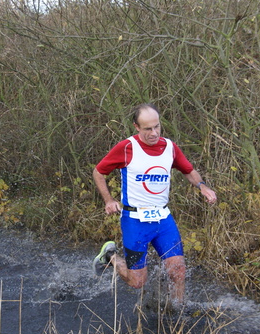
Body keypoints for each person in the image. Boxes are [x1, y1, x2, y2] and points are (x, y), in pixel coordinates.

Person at [92, 103, 217, 307]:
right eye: (148, 128)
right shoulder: (126, 148)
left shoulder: (169, 147)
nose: (154, 133)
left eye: (157, 127)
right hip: (135, 221)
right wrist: (109, 200)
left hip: (163, 219)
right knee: (137, 282)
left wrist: (202, 186)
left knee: (178, 270)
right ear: (137, 127)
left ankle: (176, 311)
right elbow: (98, 172)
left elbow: (188, 170)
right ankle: (110, 256)